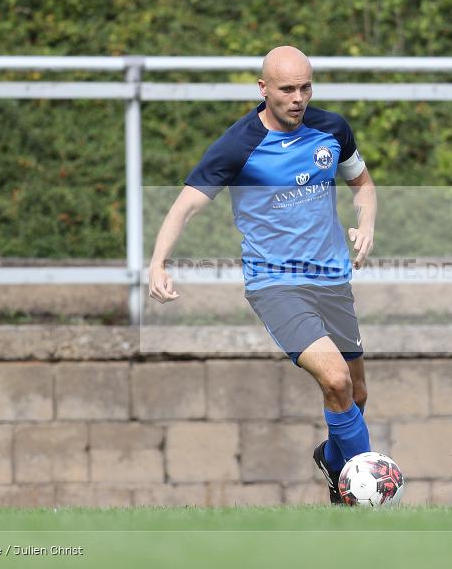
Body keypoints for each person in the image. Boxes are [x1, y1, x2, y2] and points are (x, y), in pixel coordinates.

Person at [148, 45, 377, 504]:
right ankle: (365, 497)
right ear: (263, 88)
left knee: (357, 392)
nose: (298, 98)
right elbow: (186, 206)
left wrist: (366, 224)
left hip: (332, 280)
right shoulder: (238, 145)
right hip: (275, 284)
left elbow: (363, 186)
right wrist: (157, 262)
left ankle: (334, 463)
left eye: (305, 87)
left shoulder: (332, 129)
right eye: (287, 89)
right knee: (334, 381)